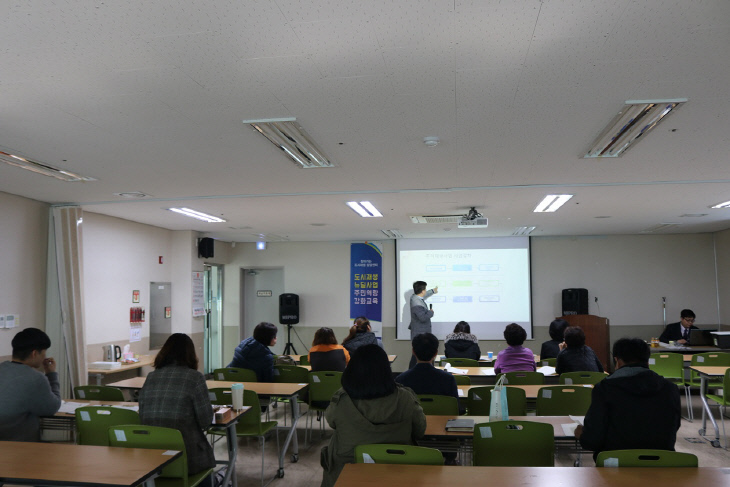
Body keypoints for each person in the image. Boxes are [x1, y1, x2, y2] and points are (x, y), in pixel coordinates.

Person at [320, 344, 426, 487]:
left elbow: (331, 421)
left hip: (347, 472)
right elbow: (420, 430)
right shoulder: (406, 398)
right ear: (386, 370)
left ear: (352, 370)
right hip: (398, 471)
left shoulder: (341, 400)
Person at [575, 337, 681, 461]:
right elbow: (673, 426)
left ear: (617, 361)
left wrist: (582, 435)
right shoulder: (670, 388)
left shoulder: (604, 389)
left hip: (616, 463)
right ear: (647, 361)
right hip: (662, 463)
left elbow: (592, 440)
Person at [138, 333, 215, 479]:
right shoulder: (195, 377)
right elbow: (206, 420)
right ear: (191, 354)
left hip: (152, 458)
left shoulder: (151, 377)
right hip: (187, 457)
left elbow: (142, 414)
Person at [0, 328, 61, 441]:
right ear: (34, 353)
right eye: (43, 353)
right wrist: (51, 374)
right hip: (19, 445)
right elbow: (52, 408)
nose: (44, 356)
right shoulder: (35, 378)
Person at [396, 332, 462, 418]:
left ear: (413, 352)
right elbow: (457, 409)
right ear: (436, 353)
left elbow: (398, 410)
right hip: (442, 425)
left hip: (411, 428)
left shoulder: (400, 380)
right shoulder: (448, 379)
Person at [408, 280, 438, 368]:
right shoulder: (417, 303)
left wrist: (432, 291)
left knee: (418, 355)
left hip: (420, 332)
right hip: (419, 333)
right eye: (425, 289)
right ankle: (411, 373)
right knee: (417, 356)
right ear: (422, 291)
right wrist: (430, 312)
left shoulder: (415, 297)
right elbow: (423, 318)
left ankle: (412, 372)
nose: (426, 291)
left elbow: (424, 296)